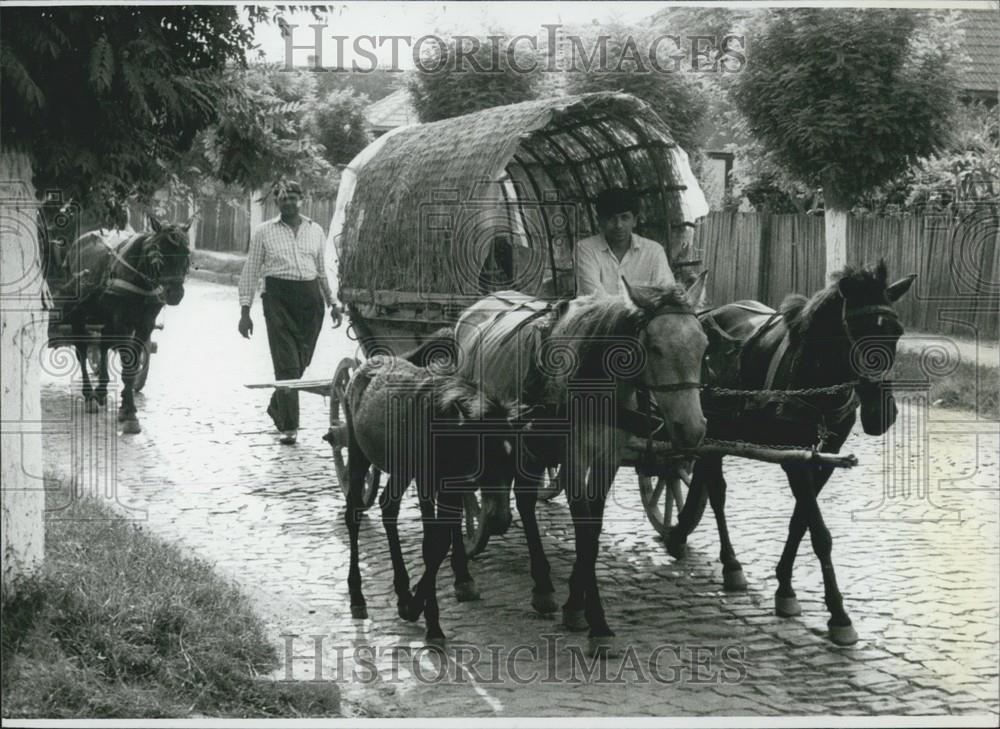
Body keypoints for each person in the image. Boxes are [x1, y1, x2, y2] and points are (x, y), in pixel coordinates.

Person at [238, 180, 343, 445]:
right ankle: (289, 426)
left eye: (293, 197)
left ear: (302, 200)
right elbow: (251, 269)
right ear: (277, 202)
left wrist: (332, 303)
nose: (288, 202)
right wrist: (245, 310)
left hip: (310, 303)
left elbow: (321, 270)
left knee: (299, 364)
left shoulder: (316, 230)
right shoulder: (264, 231)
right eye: (282, 198)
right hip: (278, 300)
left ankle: (278, 404)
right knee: (286, 364)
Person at [574, 188, 675, 296]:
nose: (618, 225)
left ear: (635, 220)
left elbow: (667, 292)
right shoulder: (585, 249)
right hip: (600, 313)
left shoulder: (653, 251)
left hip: (647, 313)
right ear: (600, 221)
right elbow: (596, 298)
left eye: (625, 217)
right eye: (611, 218)